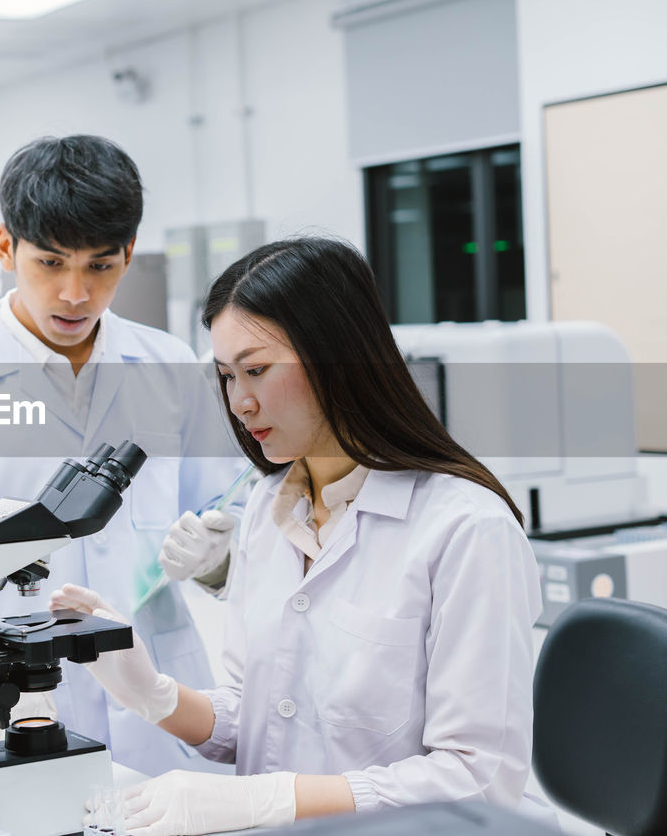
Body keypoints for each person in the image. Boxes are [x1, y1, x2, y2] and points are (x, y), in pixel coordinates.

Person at [51, 236, 544, 834]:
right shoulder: (268, 507)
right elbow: (253, 714)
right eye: (227, 377)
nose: (240, 402)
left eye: (256, 370)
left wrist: (270, 800)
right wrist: (152, 692)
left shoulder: (466, 531)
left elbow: (476, 780)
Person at [0, 135, 246, 777]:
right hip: (15, 694)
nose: (74, 293)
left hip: (162, 697)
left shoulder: (170, 369)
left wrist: (220, 558)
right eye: (50, 263)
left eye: (99, 266)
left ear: (129, 254)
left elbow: (229, 505)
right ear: (5, 248)